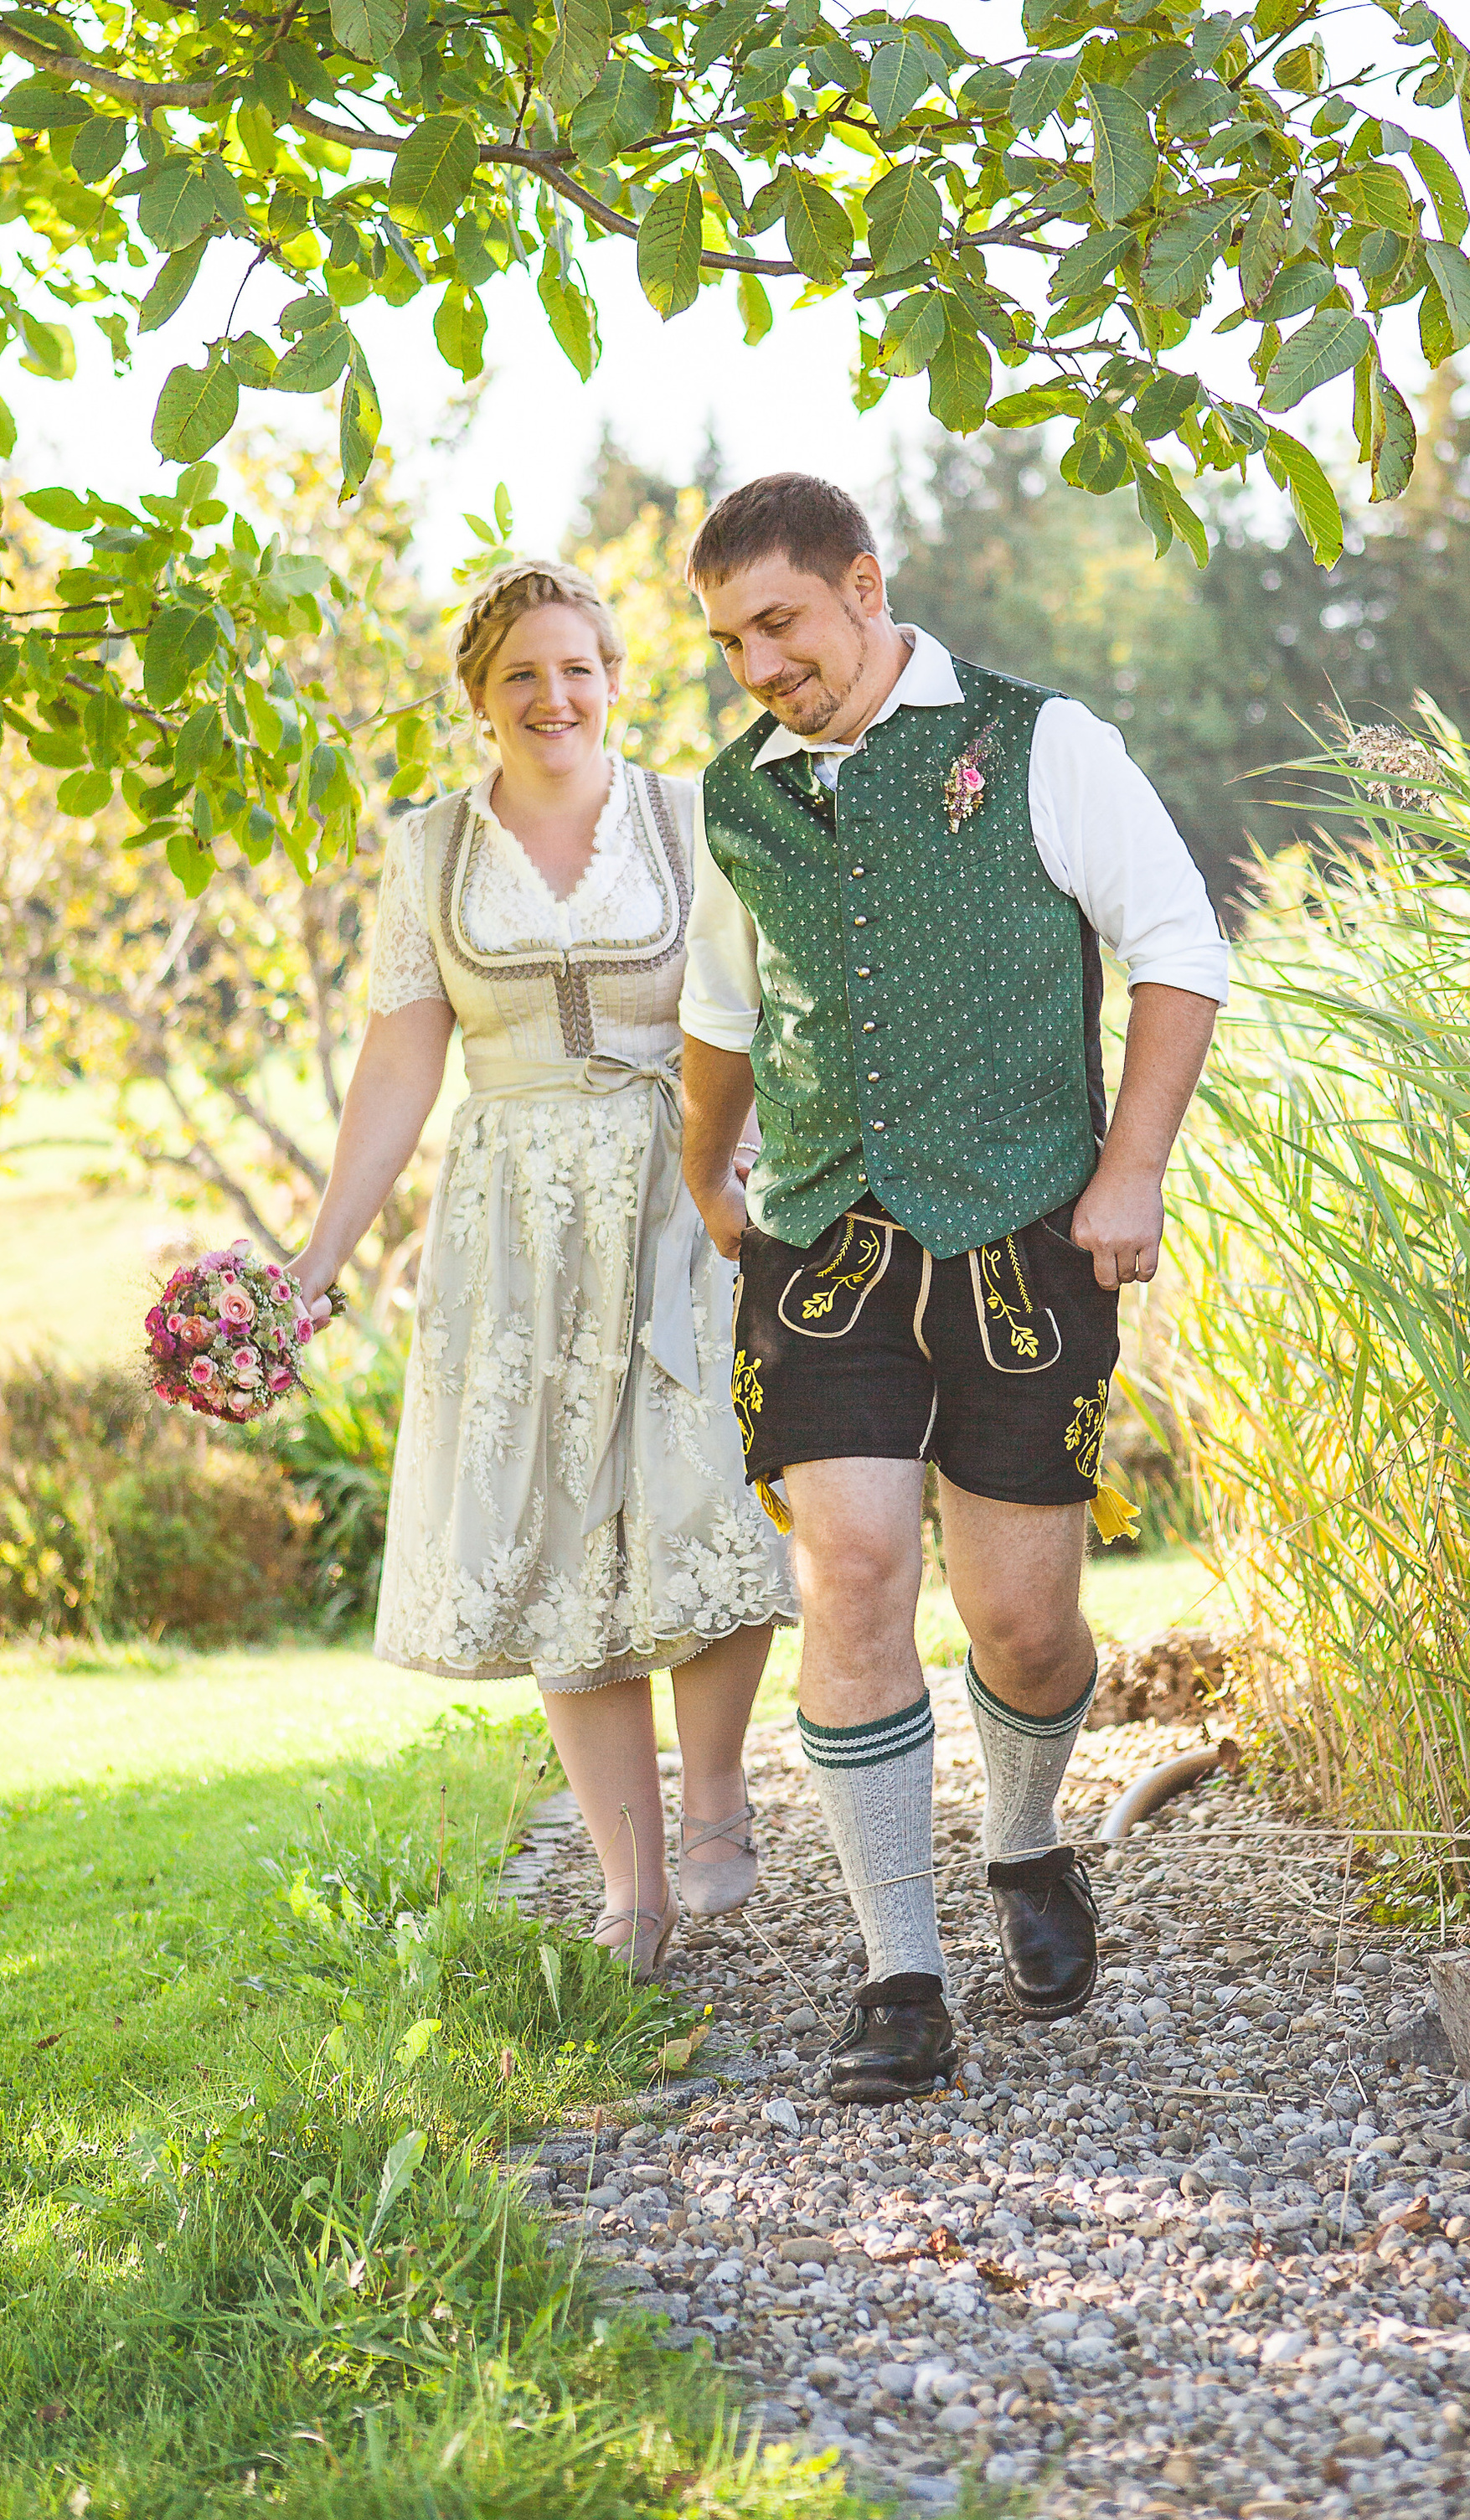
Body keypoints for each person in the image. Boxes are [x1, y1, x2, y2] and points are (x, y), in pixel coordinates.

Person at [677, 474, 1227, 2102]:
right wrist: (707, 1170)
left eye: (777, 622)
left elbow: (1178, 946)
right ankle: (897, 1975)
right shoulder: (739, 797)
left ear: (861, 583)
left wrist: (1128, 1171)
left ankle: (1027, 1838)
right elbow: (723, 1005)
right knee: (848, 1571)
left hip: (1018, 1243)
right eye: (726, 642)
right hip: (825, 1243)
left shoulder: (1042, 742)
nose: (757, 664)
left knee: (1022, 1624)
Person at [290, 557, 796, 1978]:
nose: (552, 696)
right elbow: (400, 1057)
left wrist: (753, 1166)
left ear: (617, 678)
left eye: (577, 667)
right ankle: (628, 1890)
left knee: (711, 1494)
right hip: (512, 1217)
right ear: (478, 698)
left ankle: (713, 1799)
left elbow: (762, 1010)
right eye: (521, 673)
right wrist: (319, 1254)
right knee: (566, 1533)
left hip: (682, 1190)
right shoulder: (431, 852)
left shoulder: (691, 822)